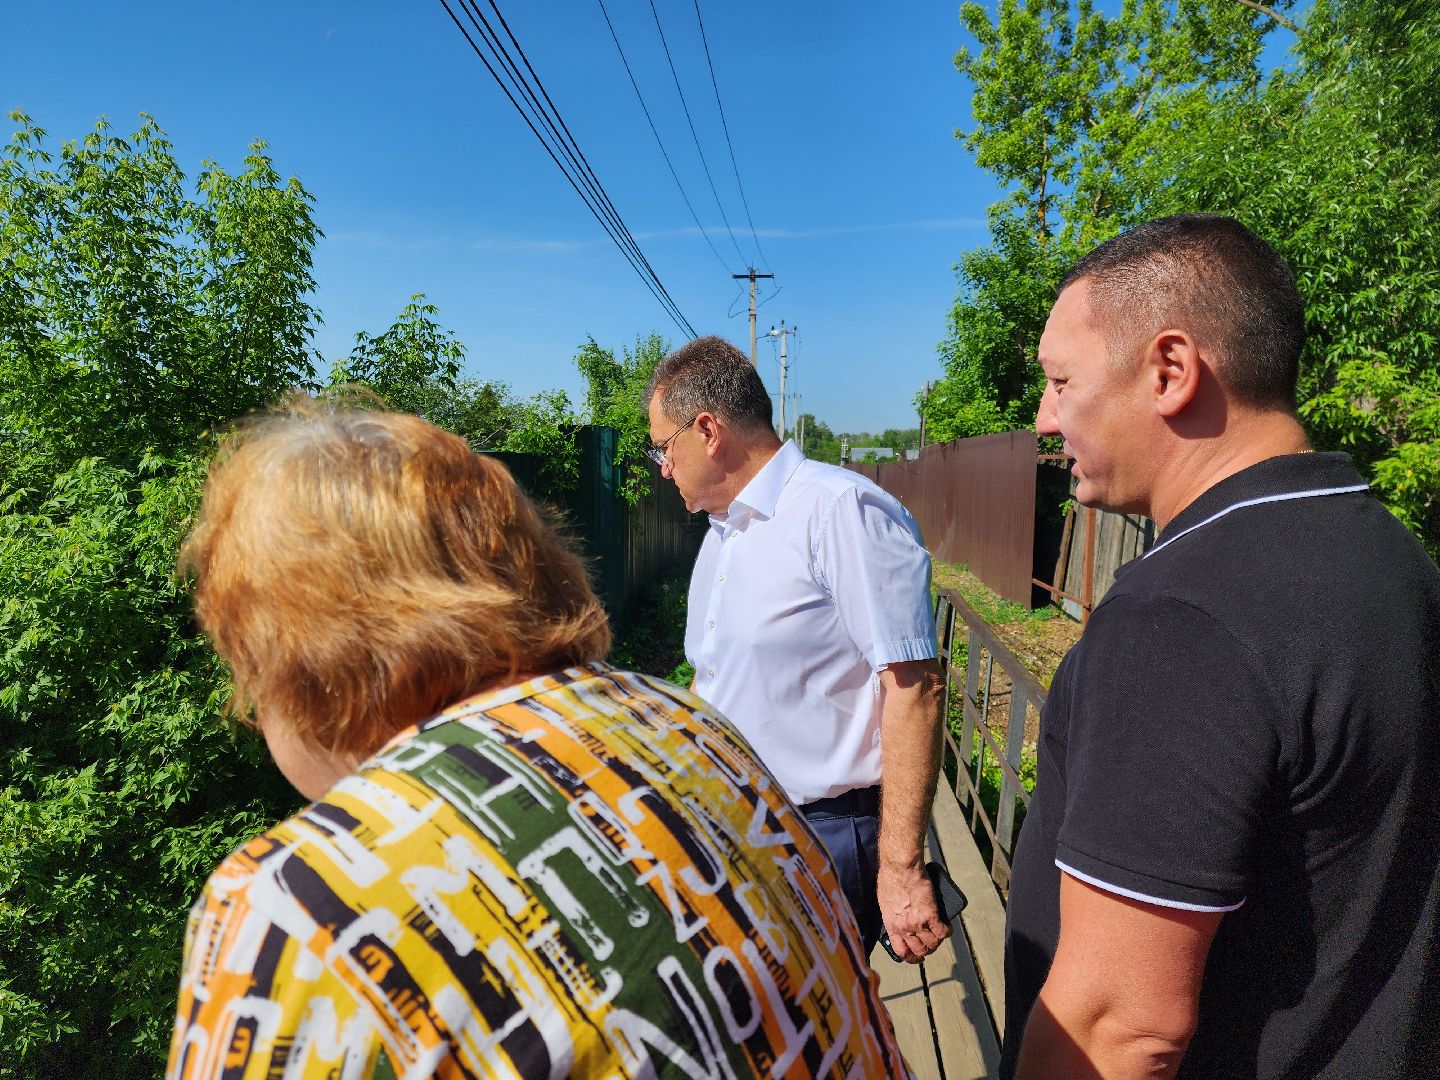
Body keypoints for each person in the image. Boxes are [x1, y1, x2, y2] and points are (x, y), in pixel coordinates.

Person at [166, 397, 911, 1079]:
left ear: (306, 665)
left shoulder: (297, 909)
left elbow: (911, 676)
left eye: (245, 667)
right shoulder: (693, 727)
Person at [1003, 214, 1440, 1079]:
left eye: (1061, 381)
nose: (1048, 419)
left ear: (1170, 371)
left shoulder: (1180, 616)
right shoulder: (1392, 553)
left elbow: (1119, 1026)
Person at [645, 337, 949, 963]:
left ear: (709, 431)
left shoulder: (840, 510)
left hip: (825, 836)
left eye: (664, 447)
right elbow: (717, 682)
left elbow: (914, 686)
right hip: (740, 827)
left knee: (813, 1027)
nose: (663, 467)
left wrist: (900, 868)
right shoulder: (723, 533)